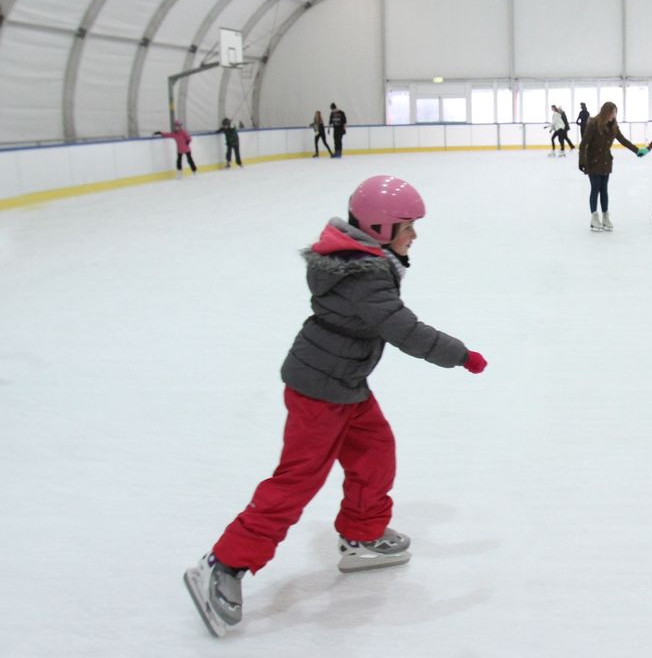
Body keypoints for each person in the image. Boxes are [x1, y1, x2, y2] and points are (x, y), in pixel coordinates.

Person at [184, 175, 489, 638]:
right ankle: (224, 564)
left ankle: (362, 533)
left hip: (343, 382)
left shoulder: (360, 261)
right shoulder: (365, 277)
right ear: (381, 229)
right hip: (321, 391)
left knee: (375, 450)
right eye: (408, 227)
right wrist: (460, 355)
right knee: (298, 479)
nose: (414, 236)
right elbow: (404, 329)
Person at [578, 101, 643, 231]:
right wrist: (582, 161)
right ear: (606, 112)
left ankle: (605, 216)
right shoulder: (593, 124)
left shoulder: (613, 126)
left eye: (615, 113)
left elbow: (623, 140)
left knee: (604, 190)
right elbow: (583, 144)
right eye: (612, 113)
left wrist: (637, 150)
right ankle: (594, 218)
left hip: (606, 162)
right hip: (593, 161)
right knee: (595, 188)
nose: (614, 116)